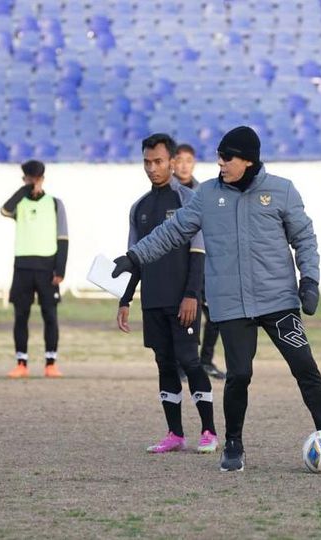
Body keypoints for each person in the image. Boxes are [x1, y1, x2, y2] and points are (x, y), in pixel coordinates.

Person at [112, 126, 321, 472]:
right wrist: (135, 257)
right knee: (239, 375)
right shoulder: (207, 196)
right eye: (218, 156)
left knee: (305, 367)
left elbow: (305, 239)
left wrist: (310, 281)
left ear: (248, 160)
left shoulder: (282, 191)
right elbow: (172, 232)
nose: (220, 163)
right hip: (230, 306)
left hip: (280, 302)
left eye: (227, 157)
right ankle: (233, 445)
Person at [117, 133, 218, 454]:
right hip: (154, 299)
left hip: (182, 299)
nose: (151, 168)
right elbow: (135, 257)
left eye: (158, 161)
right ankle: (175, 433)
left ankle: (209, 431)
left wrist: (192, 294)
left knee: (190, 360)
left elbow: (198, 252)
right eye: (147, 162)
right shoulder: (139, 208)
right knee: (164, 363)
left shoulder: (189, 201)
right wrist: (126, 298)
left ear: (173, 162)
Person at [0, 160, 68, 378]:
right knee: (21, 315)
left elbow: (63, 238)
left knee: (50, 315)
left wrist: (60, 270)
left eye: (36, 179)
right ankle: (22, 363)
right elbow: (4, 209)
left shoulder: (55, 203)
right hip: (23, 266)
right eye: (29, 179)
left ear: (43, 179)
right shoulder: (19, 204)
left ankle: (51, 362)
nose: (33, 183)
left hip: (47, 267)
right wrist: (25, 189)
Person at [173, 142, 226, 381]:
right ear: (173, 163)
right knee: (183, 316)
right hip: (176, 264)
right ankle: (183, 363)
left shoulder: (204, 193)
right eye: (180, 160)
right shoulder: (167, 193)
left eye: (188, 161)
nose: (184, 165)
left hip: (203, 262)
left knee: (214, 313)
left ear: (194, 163)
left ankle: (205, 360)